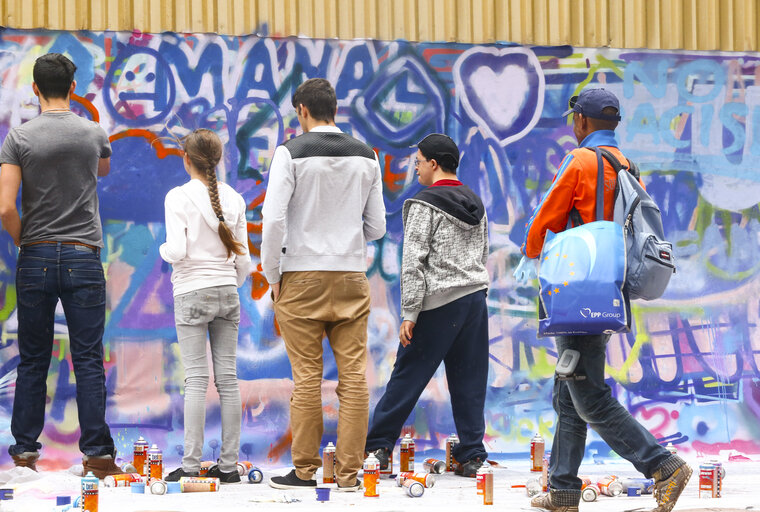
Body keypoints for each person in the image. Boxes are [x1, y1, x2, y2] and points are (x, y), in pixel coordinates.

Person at [517, 88, 692, 512]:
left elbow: (547, 219)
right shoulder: (626, 165)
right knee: (569, 391)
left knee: (587, 391)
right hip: (610, 288)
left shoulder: (580, 161)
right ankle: (562, 490)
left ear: (580, 122)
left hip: (577, 287)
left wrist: (530, 253)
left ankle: (662, 465)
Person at [0, 53, 124, 478]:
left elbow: (6, 208)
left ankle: (25, 455)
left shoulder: (19, 137)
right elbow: (102, 169)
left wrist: (25, 243)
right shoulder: (92, 133)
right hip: (82, 254)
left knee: (33, 359)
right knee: (87, 358)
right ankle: (98, 456)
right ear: (73, 88)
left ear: (35, 89)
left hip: (35, 255)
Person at [260, 78, 386, 491]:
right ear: (335, 109)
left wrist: (273, 277)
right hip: (351, 275)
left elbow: (274, 220)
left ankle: (305, 470)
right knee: (353, 377)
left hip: (300, 276)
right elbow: (377, 227)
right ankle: (351, 475)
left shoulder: (290, 153)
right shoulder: (367, 156)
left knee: (307, 377)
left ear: (301, 111)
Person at [364, 134, 490, 477]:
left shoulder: (424, 204)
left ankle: (378, 449)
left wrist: (409, 313)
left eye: (418, 161)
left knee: (407, 377)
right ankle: (472, 455)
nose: (415, 167)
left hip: (438, 304)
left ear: (434, 164)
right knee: (469, 381)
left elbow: (414, 262)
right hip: (474, 300)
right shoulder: (475, 202)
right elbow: (483, 254)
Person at [159, 128, 251, 484]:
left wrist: (163, 252)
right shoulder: (235, 199)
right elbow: (243, 261)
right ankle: (228, 467)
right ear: (218, 160)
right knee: (228, 381)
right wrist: (229, 285)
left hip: (191, 292)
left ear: (187, 160)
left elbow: (177, 251)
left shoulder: (177, 197)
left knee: (196, 380)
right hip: (228, 292)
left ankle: (191, 464)